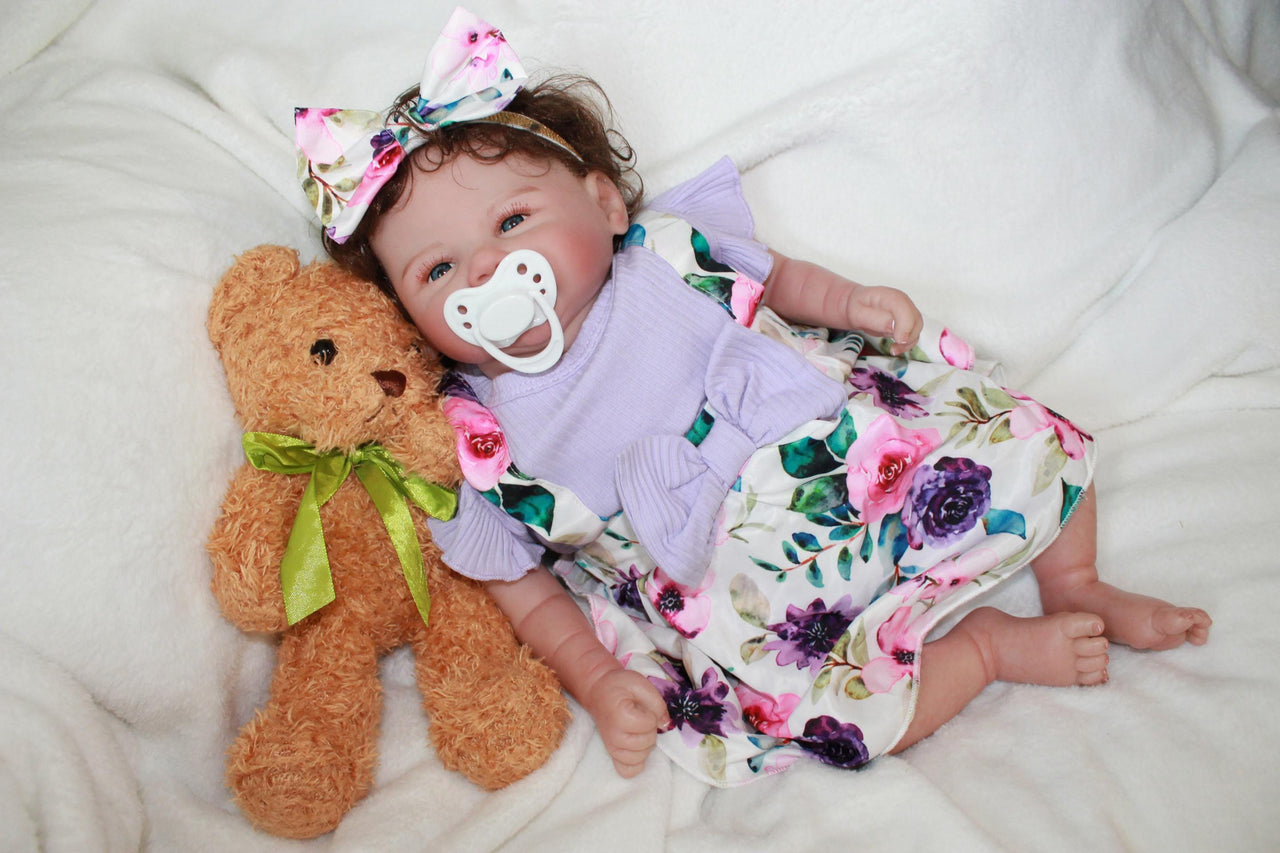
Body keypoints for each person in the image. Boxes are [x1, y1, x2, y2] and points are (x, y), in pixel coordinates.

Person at [296, 8, 1210, 784]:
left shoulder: (664, 255)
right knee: (806, 712)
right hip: (733, 587)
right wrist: (596, 678)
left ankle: (1075, 581)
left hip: (847, 452)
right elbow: (529, 591)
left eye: (510, 221)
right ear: (408, 317)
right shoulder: (480, 432)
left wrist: (851, 302)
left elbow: (776, 282)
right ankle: (987, 653)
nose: (489, 270)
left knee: (1017, 437)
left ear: (605, 205)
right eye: (439, 267)